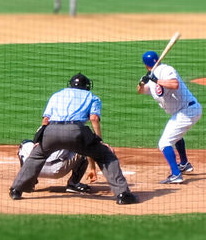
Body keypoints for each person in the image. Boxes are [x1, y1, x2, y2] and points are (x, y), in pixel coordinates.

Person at [10, 73, 138, 205]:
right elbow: (94, 118)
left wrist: (38, 141)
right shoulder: (92, 97)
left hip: (50, 131)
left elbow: (45, 120)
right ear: (86, 86)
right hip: (75, 131)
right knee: (106, 155)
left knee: (36, 157)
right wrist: (99, 141)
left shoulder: (57, 95)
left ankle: (16, 189)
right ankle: (123, 194)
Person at [136, 49, 202, 184]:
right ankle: (184, 164)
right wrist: (142, 83)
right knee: (175, 136)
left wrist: (156, 79)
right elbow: (141, 91)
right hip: (182, 112)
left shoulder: (165, 70)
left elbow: (174, 84)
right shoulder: (150, 76)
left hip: (188, 110)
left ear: (144, 64)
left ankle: (176, 174)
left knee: (164, 143)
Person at [17, 139, 97, 194]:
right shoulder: (73, 132)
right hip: (58, 170)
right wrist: (92, 168)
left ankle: (29, 181)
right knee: (84, 152)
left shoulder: (44, 128)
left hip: (36, 168)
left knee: (25, 143)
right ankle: (73, 184)